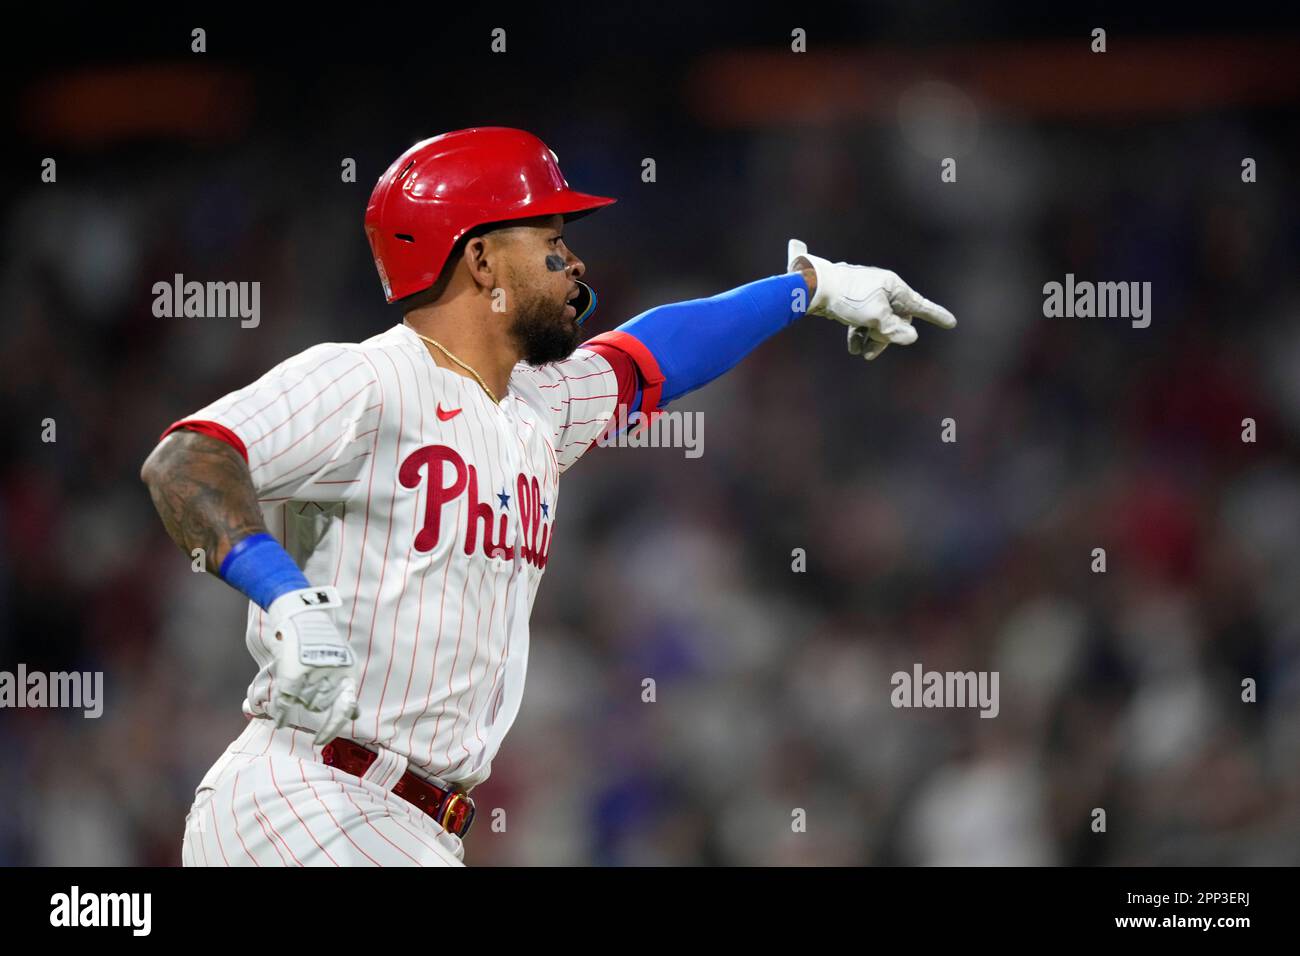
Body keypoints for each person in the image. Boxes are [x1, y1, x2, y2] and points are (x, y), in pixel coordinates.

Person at [140, 126, 955, 866]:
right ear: (481, 260)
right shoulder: (368, 379)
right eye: (552, 239)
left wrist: (802, 287)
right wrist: (283, 593)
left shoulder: (538, 405)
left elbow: (655, 355)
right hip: (309, 796)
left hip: (405, 821)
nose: (576, 265)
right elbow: (187, 458)